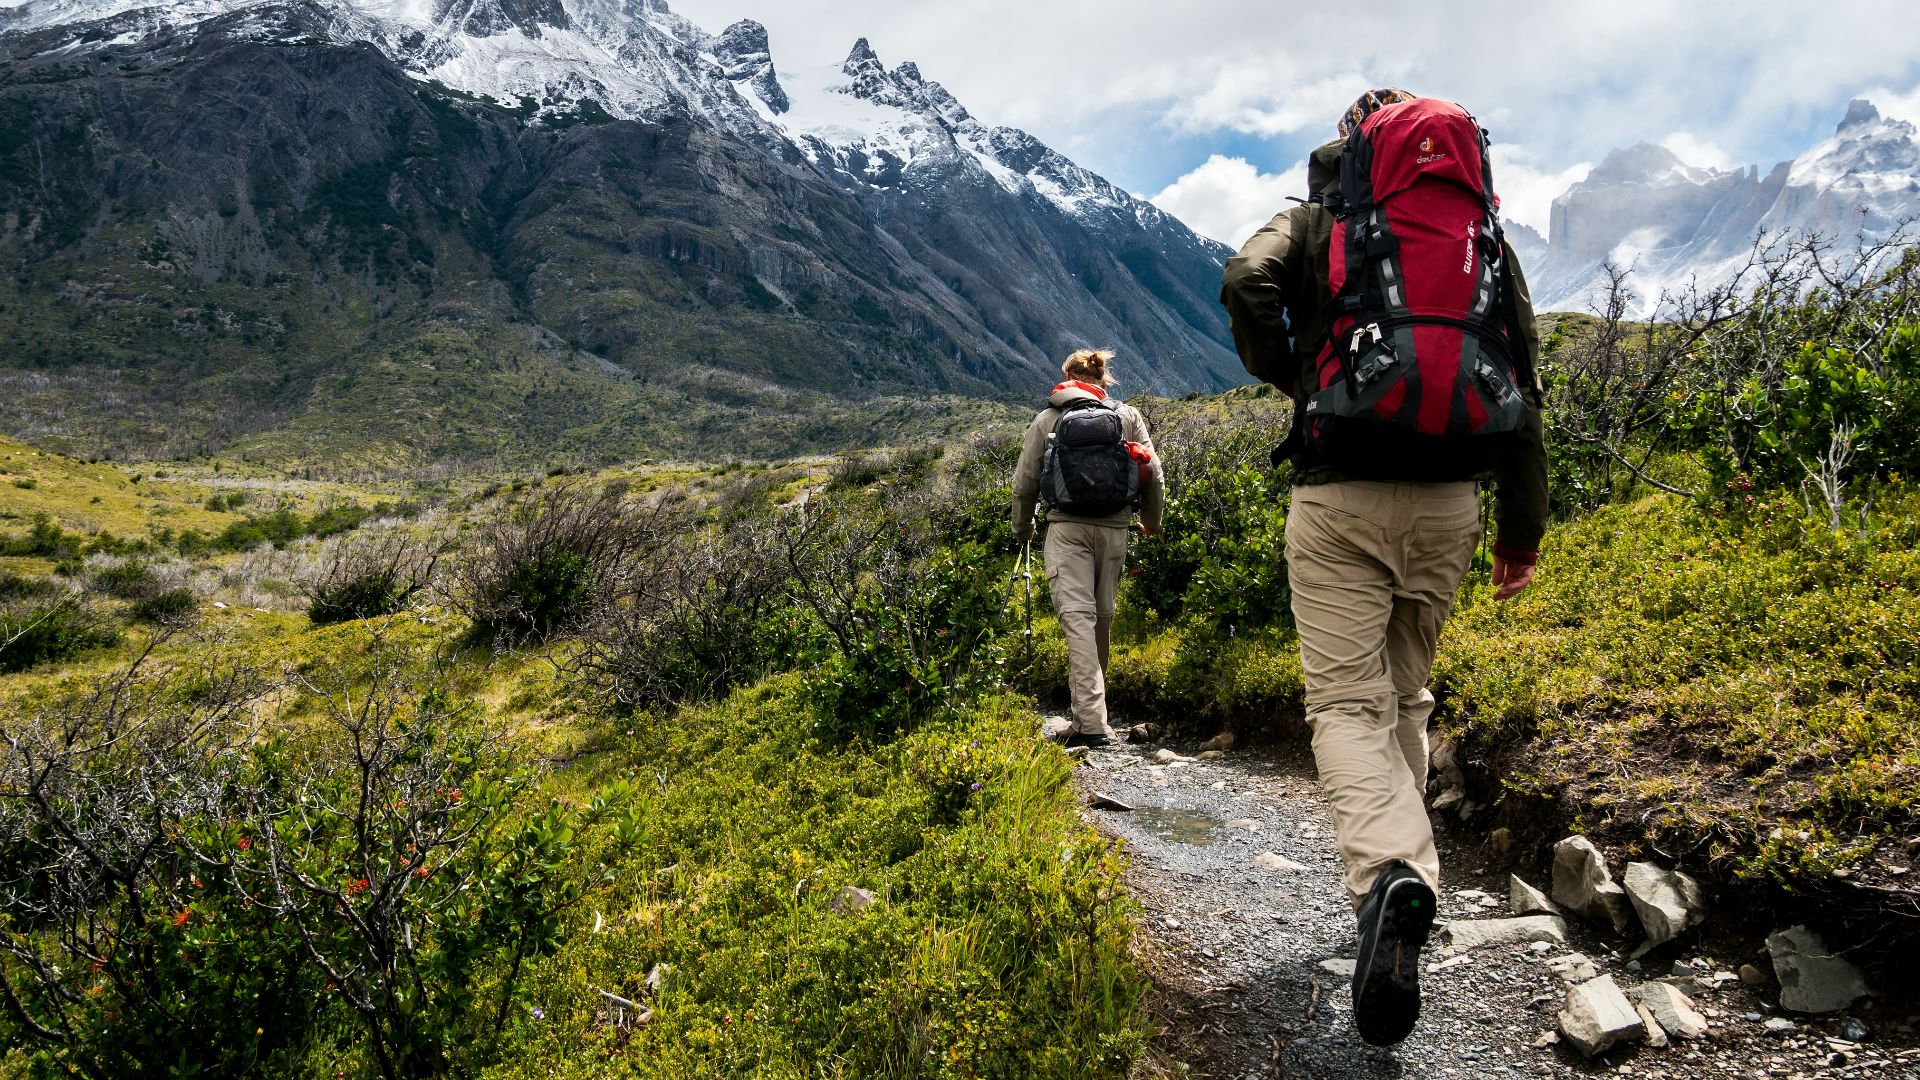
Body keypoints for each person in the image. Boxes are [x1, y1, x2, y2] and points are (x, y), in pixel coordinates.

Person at [1220, 88, 1549, 1046]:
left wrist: (1293, 372)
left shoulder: (1323, 218)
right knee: (1405, 696)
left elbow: (1246, 280)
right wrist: (1520, 534)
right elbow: (1523, 377)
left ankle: (1389, 881)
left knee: (1344, 706)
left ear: (1356, 143)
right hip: (1452, 503)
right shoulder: (1480, 237)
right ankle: (1405, 884)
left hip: (1341, 493)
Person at [1010, 349, 1165, 750]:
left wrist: (1023, 527)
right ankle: (1092, 714)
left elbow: (1024, 482)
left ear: (1066, 377)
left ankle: (1091, 722)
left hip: (1067, 530)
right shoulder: (1126, 416)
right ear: (1103, 379)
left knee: (1077, 618)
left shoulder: (1048, 419)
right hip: (1115, 529)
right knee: (1101, 618)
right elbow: (1154, 474)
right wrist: (1151, 521)